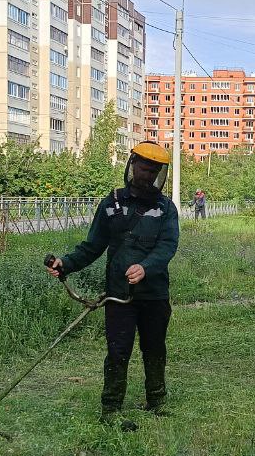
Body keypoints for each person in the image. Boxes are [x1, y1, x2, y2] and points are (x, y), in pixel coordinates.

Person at [47, 142, 179, 427]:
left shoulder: (166, 209)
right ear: (132, 166)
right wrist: (66, 263)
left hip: (155, 294)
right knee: (118, 350)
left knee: (154, 347)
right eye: (144, 169)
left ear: (161, 173)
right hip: (119, 296)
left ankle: (157, 401)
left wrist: (145, 268)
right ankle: (111, 409)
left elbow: (168, 246)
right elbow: (92, 246)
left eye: (154, 171)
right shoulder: (111, 204)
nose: (149, 176)